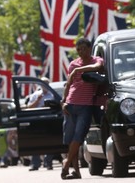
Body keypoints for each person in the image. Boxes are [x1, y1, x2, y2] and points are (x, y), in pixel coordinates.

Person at [60, 38, 104, 180]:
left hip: (86, 106)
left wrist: (79, 70)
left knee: (78, 137)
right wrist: (63, 101)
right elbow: (68, 84)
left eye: (83, 49)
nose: (81, 52)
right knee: (72, 138)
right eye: (78, 50)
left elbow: (97, 67)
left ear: (90, 48)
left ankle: (66, 164)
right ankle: (76, 172)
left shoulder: (96, 60)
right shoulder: (73, 64)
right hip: (71, 105)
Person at [27, 77, 55, 171]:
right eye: (43, 83)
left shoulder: (52, 95)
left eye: (47, 83)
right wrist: (37, 100)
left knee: (50, 142)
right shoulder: (35, 95)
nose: (45, 85)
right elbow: (29, 107)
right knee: (36, 142)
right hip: (37, 121)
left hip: (49, 120)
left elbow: (56, 105)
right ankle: (35, 164)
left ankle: (48, 163)